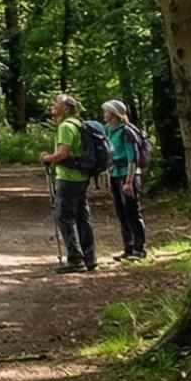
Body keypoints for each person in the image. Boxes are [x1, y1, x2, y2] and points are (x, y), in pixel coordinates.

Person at [38, 92, 98, 273]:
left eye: (55, 103)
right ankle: (89, 257)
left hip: (68, 177)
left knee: (64, 217)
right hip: (81, 176)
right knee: (82, 216)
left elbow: (63, 153)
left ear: (65, 108)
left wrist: (47, 158)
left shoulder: (65, 126)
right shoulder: (78, 124)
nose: (52, 106)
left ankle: (75, 259)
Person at [102, 99, 149, 261]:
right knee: (121, 213)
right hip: (115, 174)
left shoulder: (126, 131)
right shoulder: (109, 130)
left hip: (128, 175)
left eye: (107, 111)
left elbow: (132, 158)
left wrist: (129, 181)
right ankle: (128, 248)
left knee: (132, 212)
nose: (104, 114)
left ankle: (139, 248)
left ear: (114, 114)